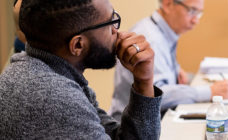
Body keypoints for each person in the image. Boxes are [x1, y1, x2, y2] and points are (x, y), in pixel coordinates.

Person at [0, 0, 163, 139]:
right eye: (110, 22)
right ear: (78, 45)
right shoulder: (53, 96)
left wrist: (144, 81)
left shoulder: (41, 71)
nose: (117, 31)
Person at [109, 0, 228, 121]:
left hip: (149, 121)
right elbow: (155, 96)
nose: (196, 20)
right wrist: (209, 92)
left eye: (199, 13)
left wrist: (175, 73)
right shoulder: (152, 38)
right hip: (131, 127)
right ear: (168, 4)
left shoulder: (163, 32)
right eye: (192, 10)